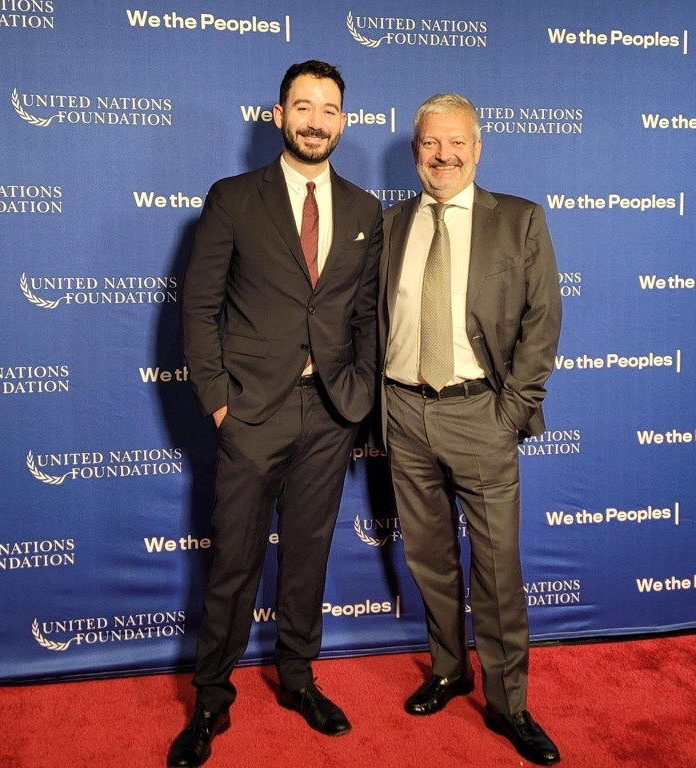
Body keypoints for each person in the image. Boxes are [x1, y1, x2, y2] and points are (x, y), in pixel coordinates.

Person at [170, 60, 382, 767]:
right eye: (303, 106)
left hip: (329, 413)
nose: (315, 120)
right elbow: (199, 309)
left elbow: (364, 314)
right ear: (278, 115)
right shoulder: (233, 198)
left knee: (309, 555)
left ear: (343, 122)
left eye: (328, 109)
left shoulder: (363, 209)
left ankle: (297, 677)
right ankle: (209, 698)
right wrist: (219, 402)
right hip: (252, 411)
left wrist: (355, 397)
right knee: (233, 561)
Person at [378, 93, 563, 766]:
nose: (444, 154)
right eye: (431, 143)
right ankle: (449, 669)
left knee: (495, 570)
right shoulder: (392, 224)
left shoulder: (518, 219)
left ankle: (510, 705)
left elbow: (542, 323)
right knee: (429, 559)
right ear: (415, 151)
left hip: (479, 413)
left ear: (477, 149)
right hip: (402, 410)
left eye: (456, 143)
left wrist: (510, 412)